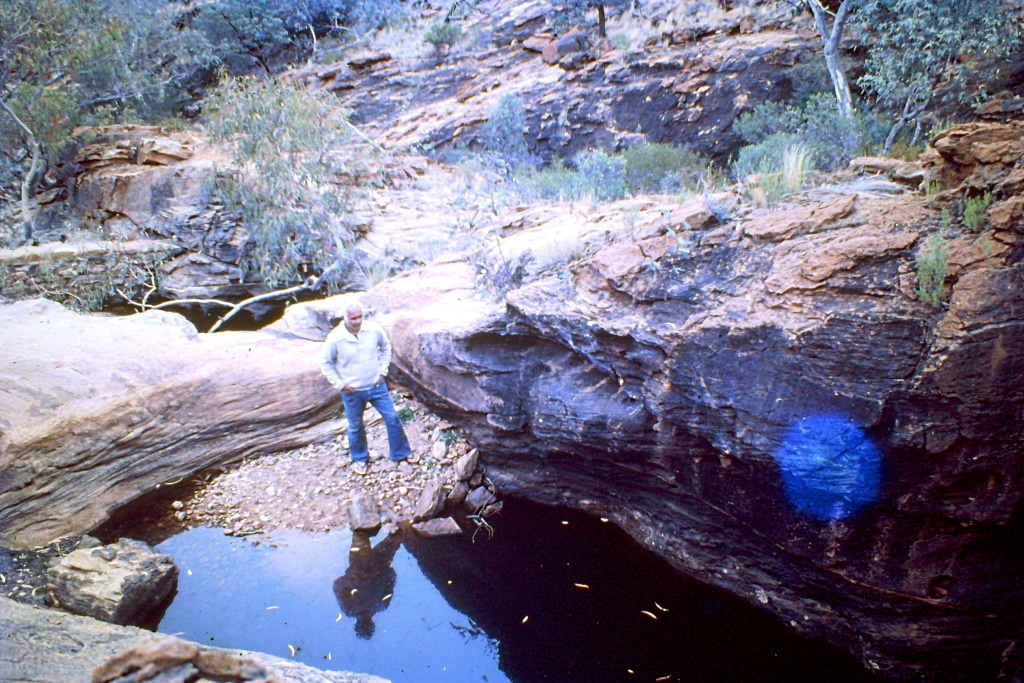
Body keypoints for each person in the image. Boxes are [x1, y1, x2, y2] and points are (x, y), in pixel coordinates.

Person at [320, 302, 414, 475]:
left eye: (359, 317)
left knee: (392, 417)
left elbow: (386, 347)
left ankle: (400, 453)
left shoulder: (373, 330)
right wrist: (340, 384)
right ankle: (360, 458)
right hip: (352, 391)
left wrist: (383, 371)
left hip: (376, 386)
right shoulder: (336, 338)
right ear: (345, 318)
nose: (357, 321)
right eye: (353, 318)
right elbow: (325, 363)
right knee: (356, 425)